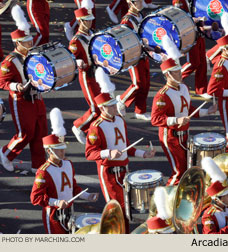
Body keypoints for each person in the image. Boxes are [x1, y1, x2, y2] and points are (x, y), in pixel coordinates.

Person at [85, 91, 156, 233]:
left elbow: (126, 146)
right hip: (109, 173)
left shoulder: (119, 120)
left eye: (114, 105)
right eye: (110, 106)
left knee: (125, 208)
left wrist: (144, 154)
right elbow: (89, 154)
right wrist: (108, 153)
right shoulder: (96, 126)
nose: (114, 107)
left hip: (124, 170)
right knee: (116, 209)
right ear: (102, 108)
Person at [30, 108, 99, 234]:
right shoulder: (44, 171)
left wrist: (87, 196)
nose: (63, 152)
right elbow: (35, 198)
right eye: (59, 149)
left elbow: (72, 187)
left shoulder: (68, 164)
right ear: (49, 151)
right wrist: (56, 202)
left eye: (63, 148)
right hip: (53, 215)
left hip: (69, 212)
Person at [151, 58, 217, 186]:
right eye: (176, 72)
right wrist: (177, 120)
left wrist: (207, 111)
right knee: (178, 172)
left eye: (179, 71)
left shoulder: (183, 88)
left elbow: (188, 109)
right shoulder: (162, 96)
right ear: (167, 75)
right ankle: (167, 199)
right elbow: (155, 119)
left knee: (188, 167)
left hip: (184, 134)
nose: (180, 74)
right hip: (170, 137)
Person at [0, 6, 47, 174]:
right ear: (17, 44)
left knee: (41, 132)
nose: (30, 44)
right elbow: (2, 82)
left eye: (30, 41)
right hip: (21, 100)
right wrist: (16, 86)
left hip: (37, 98)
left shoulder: (34, 55)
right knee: (25, 133)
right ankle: (6, 153)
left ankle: (38, 166)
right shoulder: (9, 61)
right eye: (26, 42)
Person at [69, 2, 101, 144]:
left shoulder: (93, 34)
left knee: (102, 104)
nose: (89, 22)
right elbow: (72, 60)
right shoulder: (75, 41)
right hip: (86, 75)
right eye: (87, 20)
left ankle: (93, 130)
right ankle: (79, 126)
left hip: (98, 73)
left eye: (90, 19)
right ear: (80, 21)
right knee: (95, 108)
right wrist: (77, 62)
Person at [116, 0, 152, 121]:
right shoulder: (127, 20)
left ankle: (140, 111)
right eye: (138, 1)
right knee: (138, 83)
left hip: (143, 54)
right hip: (134, 56)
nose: (142, 3)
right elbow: (125, 40)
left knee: (146, 84)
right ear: (131, 3)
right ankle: (122, 99)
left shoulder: (140, 15)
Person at [173, 0, 209, 98]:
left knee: (202, 63)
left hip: (198, 32)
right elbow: (178, 18)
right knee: (193, 63)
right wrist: (196, 20)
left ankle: (202, 89)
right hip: (189, 34)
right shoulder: (178, 1)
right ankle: (174, 76)